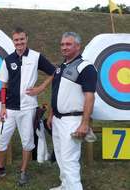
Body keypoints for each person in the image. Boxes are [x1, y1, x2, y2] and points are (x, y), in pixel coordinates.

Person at [0, 27, 56, 186]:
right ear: (13, 41)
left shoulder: (36, 56)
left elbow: (55, 72)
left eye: (22, 39)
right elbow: (3, 85)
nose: (19, 43)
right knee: (0, 141)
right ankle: (0, 168)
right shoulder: (8, 59)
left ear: (27, 39)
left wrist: (41, 88)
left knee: (27, 142)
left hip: (28, 108)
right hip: (9, 109)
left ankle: (23, 171)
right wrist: (3, 106)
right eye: (16, 40)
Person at [47, 32, 97, 190]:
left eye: (68, 44)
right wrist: (51, 114)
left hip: (73, 121)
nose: (64, 47)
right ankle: (65, 185)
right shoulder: (61, 67)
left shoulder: (86, 67)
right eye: (62, 44)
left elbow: (90, 97)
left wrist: (84, 123)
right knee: (61, 156)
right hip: (58, 119)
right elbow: (56, 92)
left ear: (78, 46)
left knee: (70, 160)